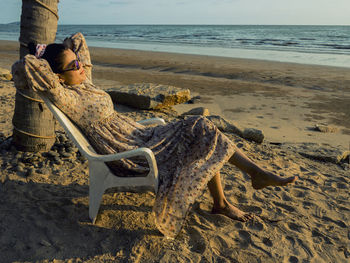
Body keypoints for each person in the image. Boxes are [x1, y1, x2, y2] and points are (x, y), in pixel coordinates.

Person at [12, 33, 297, 239]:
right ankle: (246, 182)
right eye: (73, 66)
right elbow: (24, 67)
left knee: (201, 129)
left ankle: (231, 195)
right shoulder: (63, 95)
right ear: (57, 76)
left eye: (78, 63)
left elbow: (78, 40)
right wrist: (41, 57)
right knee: (200, 128)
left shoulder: (83, 82)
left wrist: (65, 55)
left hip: (141, 135)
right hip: (129, 152)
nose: (81, 67)